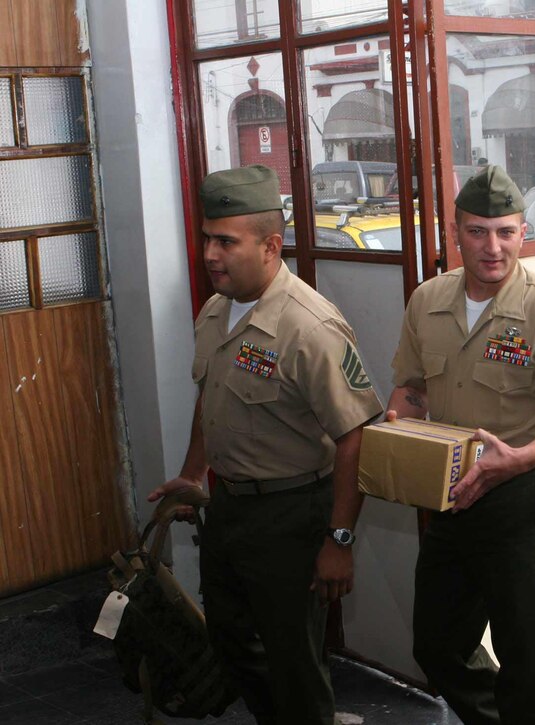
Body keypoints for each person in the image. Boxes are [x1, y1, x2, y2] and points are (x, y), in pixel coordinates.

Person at [148, 165, 383, 725]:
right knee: (231, 642)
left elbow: (358, 436)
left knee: (294, 663)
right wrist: (193, 475)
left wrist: (339, 539)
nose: (210, 253)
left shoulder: (310, 327)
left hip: (293, 515)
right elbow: (213, 401)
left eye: (226, 241)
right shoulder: (215, 310)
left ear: (271, 246)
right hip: (230, 509)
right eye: (208, 238)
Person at [386, 165, 535, 724]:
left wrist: (519, 460)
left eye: (506, 232)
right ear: (455, 232)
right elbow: (411, 388)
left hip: (520, 502)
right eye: (478, 232)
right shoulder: (426, 301)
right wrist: (402, 424)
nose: (493, 247)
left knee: (526, 662)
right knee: (435, 646)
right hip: (452, 499)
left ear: (522, 233)